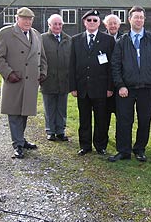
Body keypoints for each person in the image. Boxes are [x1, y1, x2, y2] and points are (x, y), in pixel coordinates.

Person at [109, 5, 151, 162]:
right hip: (126, 89)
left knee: (144, 119)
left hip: (147, 88)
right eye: (136, 17)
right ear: (129, 20)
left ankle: (140, 149)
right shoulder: (122, 41)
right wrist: (120, 85)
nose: (139, 20)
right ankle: (124, 151)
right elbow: (115, 65)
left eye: (141, 17)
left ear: (144, 20)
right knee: (124, 120)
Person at [0, 7, 47, 159]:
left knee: (24, 113)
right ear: (17, 19)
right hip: (14, 81)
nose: (27, 22)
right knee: (14, 113)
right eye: (24, 19)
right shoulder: (6, 33)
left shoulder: (36, 34)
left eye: (30, 19)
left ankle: (21, 140)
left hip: (31, 81)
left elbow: (42, 56)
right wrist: (9, 74)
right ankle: (17, 144)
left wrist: (43, 72)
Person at [69, 9, 115, 156]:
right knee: (84, 118)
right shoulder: (76, 40)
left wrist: (110, 87)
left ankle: (100, 145)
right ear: (84, 22)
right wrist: (73, 87)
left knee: (101, 119)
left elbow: (112, 66)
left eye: (95, 20)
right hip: (82, 87)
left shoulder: (108, 40)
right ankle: (85, 145)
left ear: (99, 23)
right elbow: (72, 64)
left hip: (101, 88)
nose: (92, 23)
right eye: (89, 20)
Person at [40, 14, 72, 141]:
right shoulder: (42, 39)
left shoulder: (69, 40)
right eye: (55, 24)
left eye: (60, 24)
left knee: (61, 107)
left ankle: (60, 130)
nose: (57, 26)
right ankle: (50, 131)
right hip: (48, 80)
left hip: (64, 80)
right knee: (49, 107)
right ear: (49, 25)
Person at [102, 14, 123, 131]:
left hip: (120, 83)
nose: (113, 26)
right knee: (104, 114)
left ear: (119, 25)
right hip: (105, 83)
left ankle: (120, 138)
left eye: (115, 23)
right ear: (106, 25)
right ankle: (103, 139)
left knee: (121, 114)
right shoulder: (101, 39)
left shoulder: (125, 38)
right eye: (110, 23)